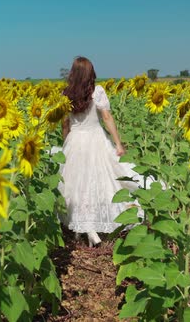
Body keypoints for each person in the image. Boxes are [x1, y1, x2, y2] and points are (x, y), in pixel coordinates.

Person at [58, 56, 148, 247]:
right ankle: (94, 226)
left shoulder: (65, 94)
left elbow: (65, 124)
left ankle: (84, 228)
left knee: (76, 185)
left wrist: (66, 144)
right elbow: (106, 117)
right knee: (101, 181)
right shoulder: (96, 91)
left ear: (73, 74)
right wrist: (118, 143)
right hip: (95, 138)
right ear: (90, 73)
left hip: (75, 140)